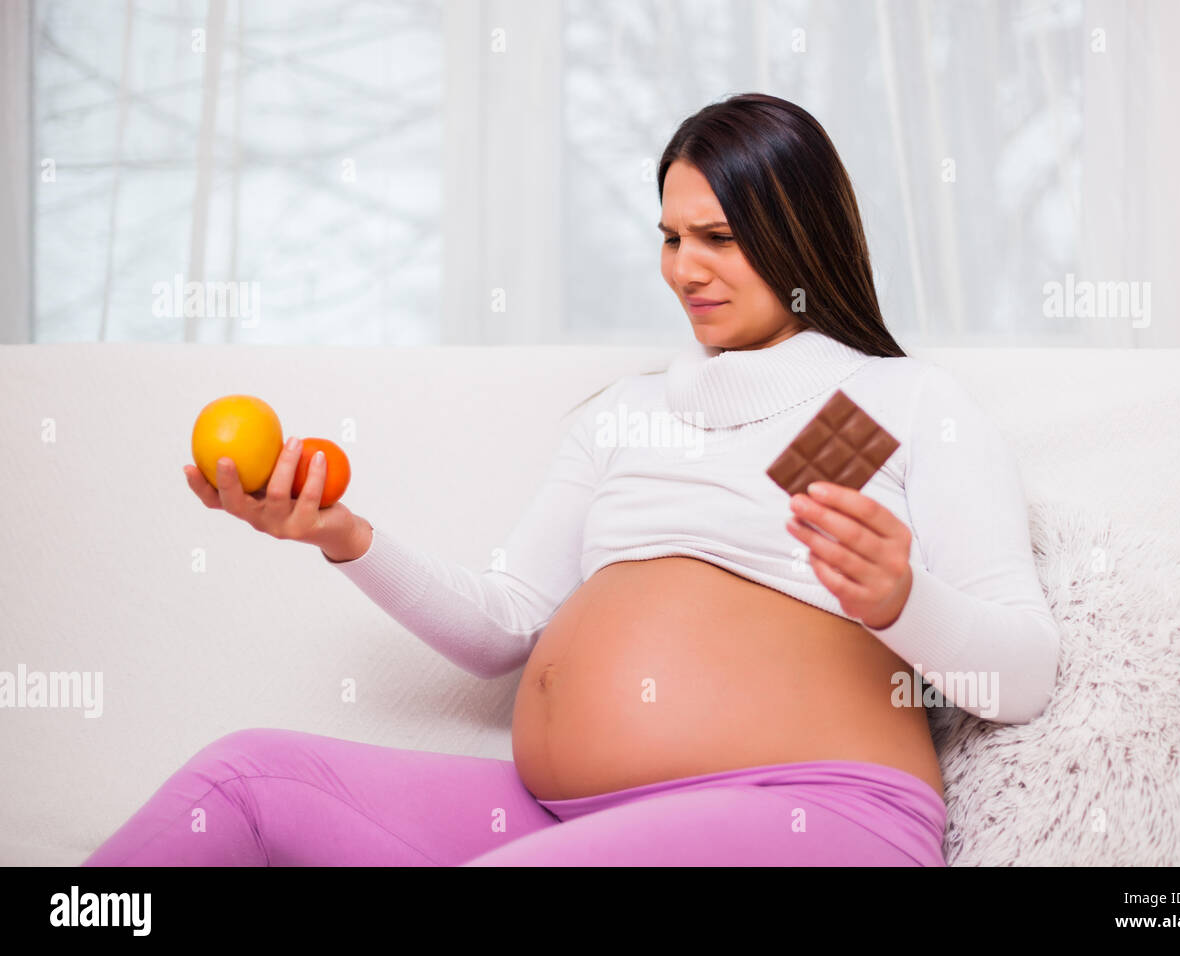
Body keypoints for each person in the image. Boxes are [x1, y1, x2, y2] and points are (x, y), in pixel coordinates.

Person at [83, 92, 1059, 867]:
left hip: (816, 811)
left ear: (802, 236)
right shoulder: (624, 411)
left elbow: (1020, 673)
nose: (686, 270)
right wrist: (343, 534)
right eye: (672, 238)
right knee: (241, 783)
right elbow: (505, 624)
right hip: (563, 814)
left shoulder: (906, 401)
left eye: (717, 237)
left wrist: (901, 600)